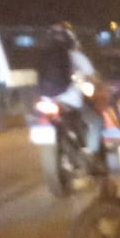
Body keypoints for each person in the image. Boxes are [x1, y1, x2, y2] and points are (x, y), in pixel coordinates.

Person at [42, 22, 103, 159]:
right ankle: (90, 153)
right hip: (72, 102)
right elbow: (93, 77)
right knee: (97, 120)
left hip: (48, 101)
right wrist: (96, 82)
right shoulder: (76, 56)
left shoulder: (45, 57)